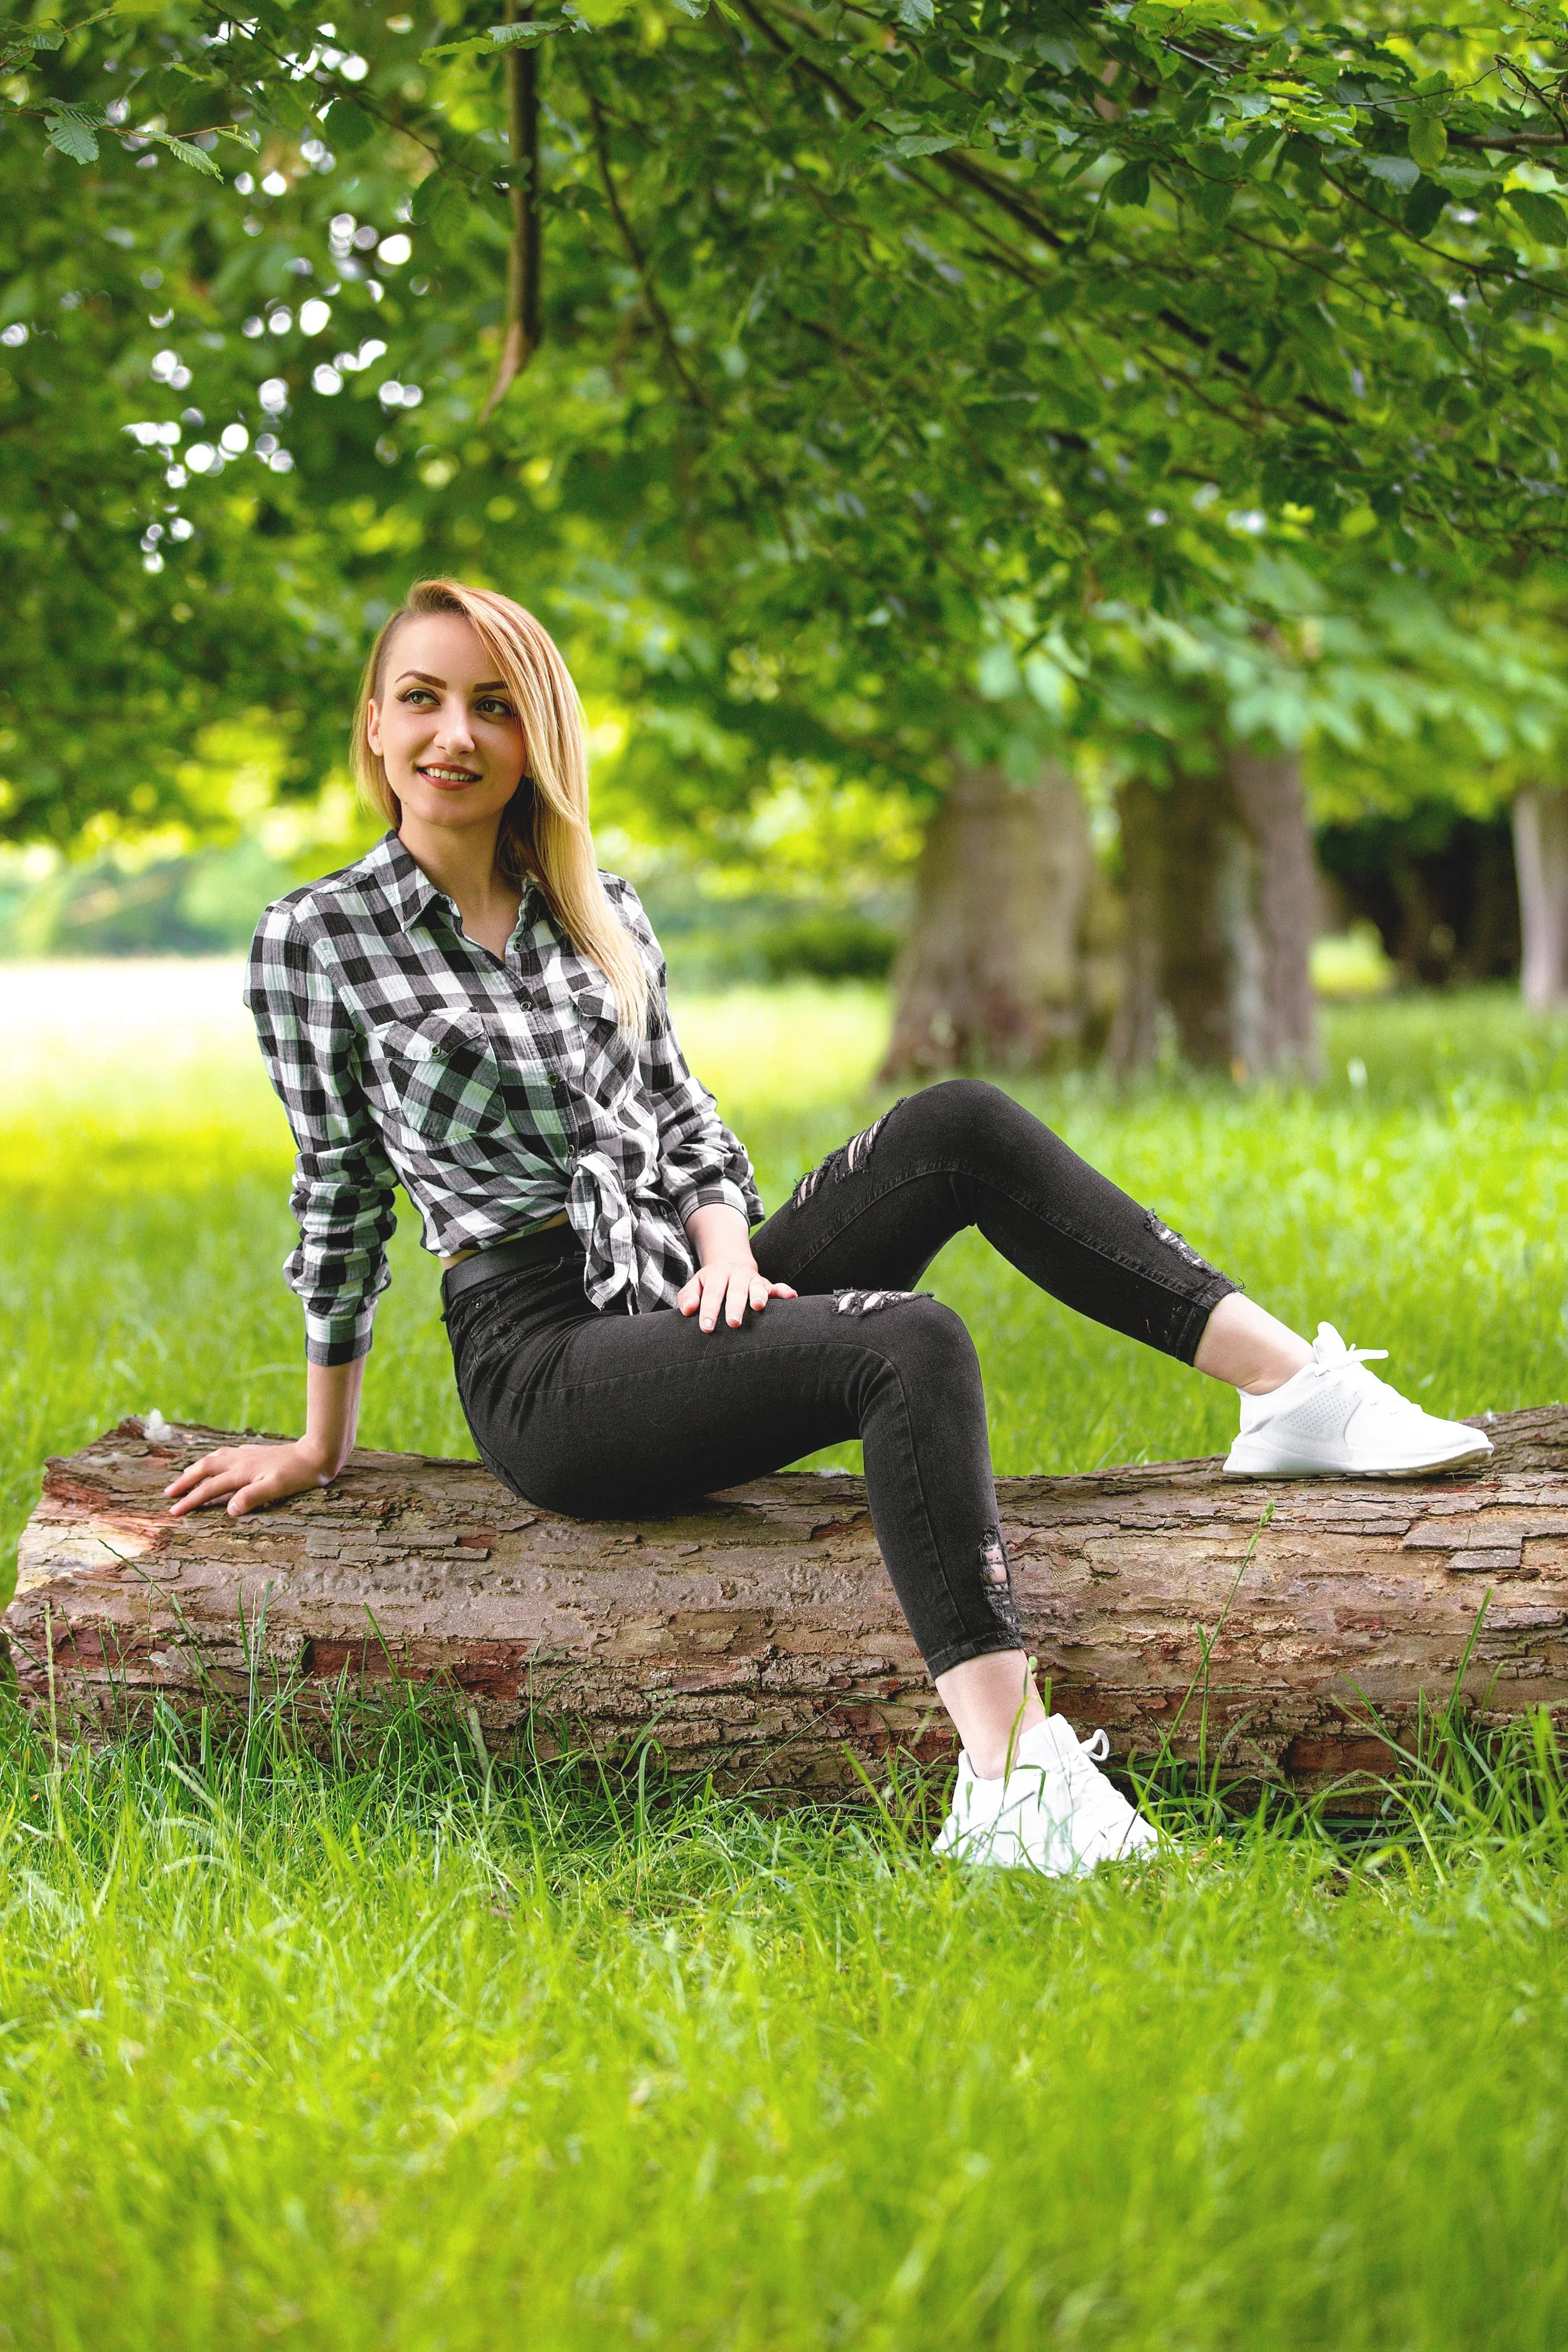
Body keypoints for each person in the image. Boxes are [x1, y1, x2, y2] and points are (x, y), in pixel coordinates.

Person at [165, 580, 1493, 1876]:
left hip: (683, 1292)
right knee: (903, 1343)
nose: (456, 734)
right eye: (424, 700)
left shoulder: (599, 911)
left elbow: (685, 1124)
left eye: (494, 705)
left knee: (956, 1124)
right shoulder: (316, 938)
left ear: (537, 738)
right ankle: (1008, 1782)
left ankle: (1289, 1392)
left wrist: (728, 1242)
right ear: (377, 729)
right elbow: (338, 1192)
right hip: (548, 1364)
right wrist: (317, 1441)